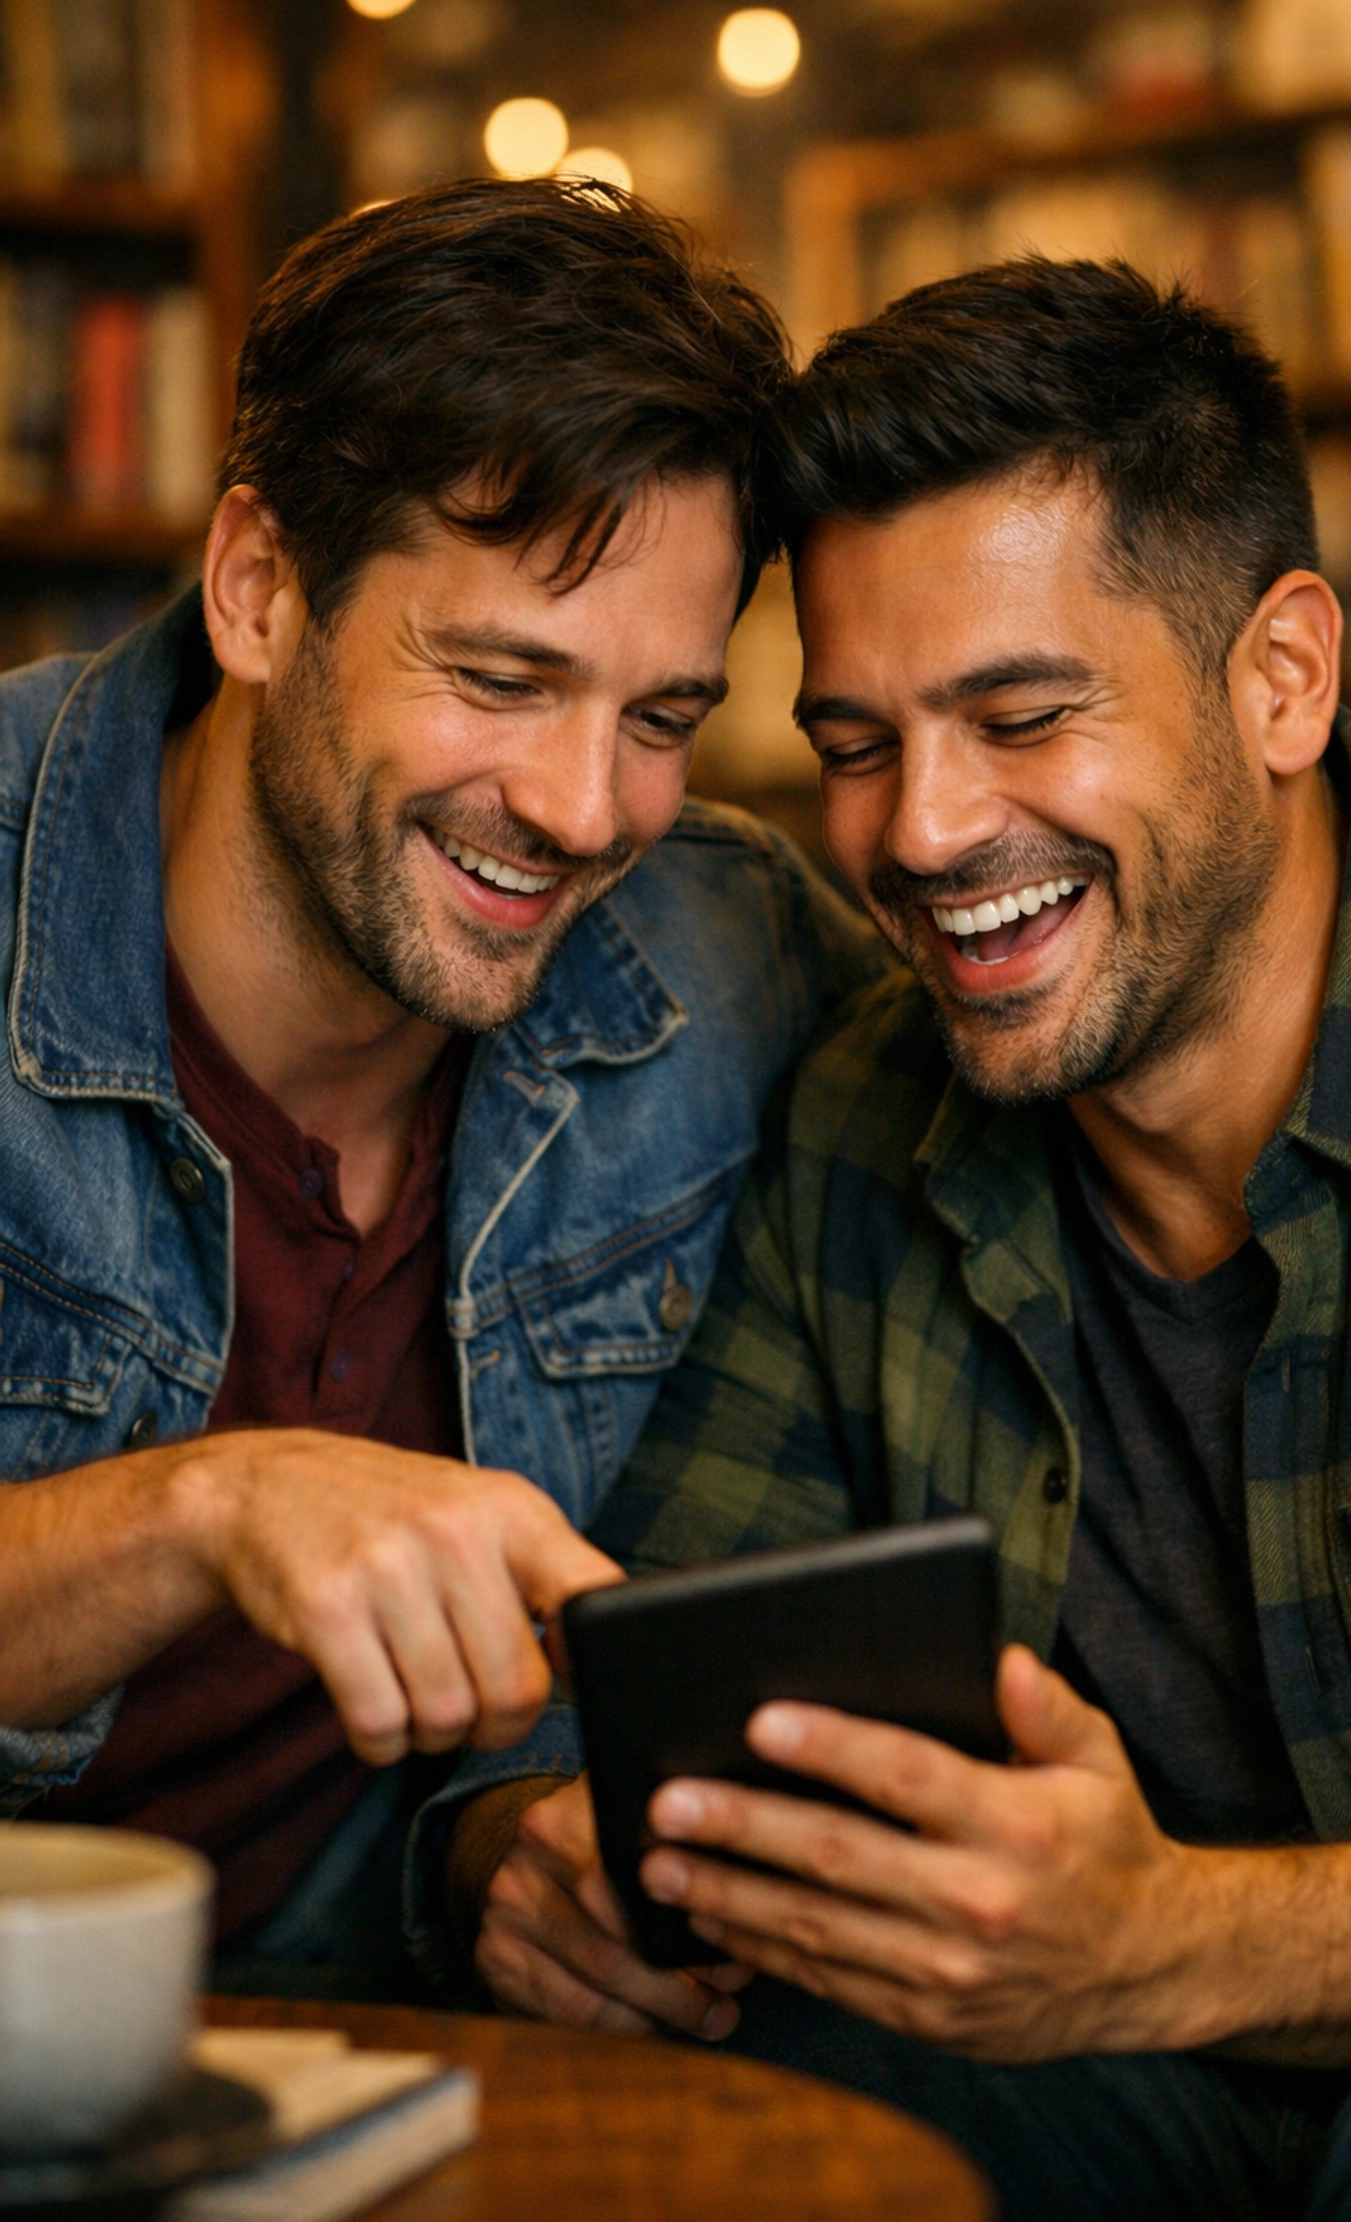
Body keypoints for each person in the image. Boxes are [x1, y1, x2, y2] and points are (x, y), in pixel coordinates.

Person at [455, 260, 1351, 2218]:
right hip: (1099, 2093)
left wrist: (1177, 1938)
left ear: (1284, 679)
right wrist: (545, 1856)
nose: (924, 832)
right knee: (745, 2067)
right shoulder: (865, 1113)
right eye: (855, 743)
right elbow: (623, 1664)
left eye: (1021, 715)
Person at [0, 178, 873, 2003]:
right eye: (499, 677)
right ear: (259, 588)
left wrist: (514, 1846)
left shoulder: (739, 957)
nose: (582, 810)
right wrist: (210, 1511)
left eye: (661, 718)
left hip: (421, 2049)